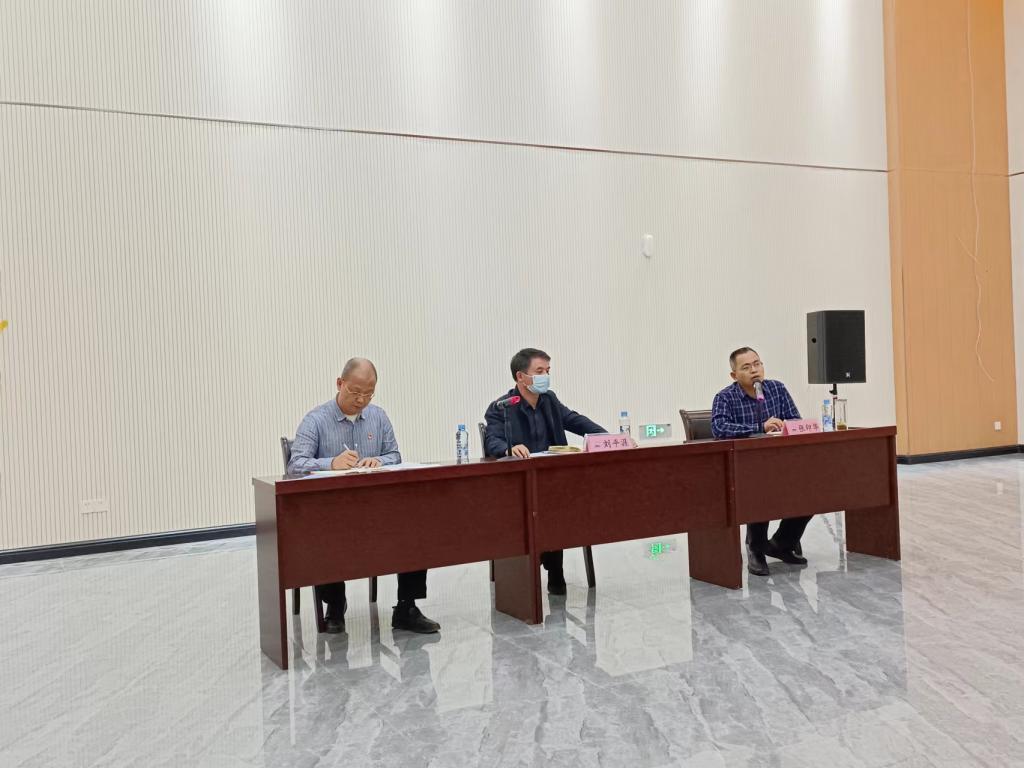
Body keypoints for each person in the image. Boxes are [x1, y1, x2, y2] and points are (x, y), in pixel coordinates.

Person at [287, 357, 440, 635]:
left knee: (415, 529)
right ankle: (335, 606)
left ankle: (406, 607)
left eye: (368, 394)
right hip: (332, 512)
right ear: (339, 383)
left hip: (376, 510)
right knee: (325, 534)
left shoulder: (378, 417)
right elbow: (295, 464)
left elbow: (395, 455)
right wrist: (331, 463)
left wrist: (379, 461)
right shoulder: (316, 420)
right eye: (355, 392)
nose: (361, 400)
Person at [483, 348, 607, 595]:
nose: (545, 377)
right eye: (539, 371)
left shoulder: (549, 400)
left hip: (553, 480)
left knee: (556, 503)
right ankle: (546, 566)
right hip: (518, 484)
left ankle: (553, 568)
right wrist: (509, 448)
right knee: (538, 507)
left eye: (548, 371)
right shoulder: (502, 407)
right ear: (520, 376)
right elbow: (491, 440)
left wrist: (606, 437)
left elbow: (575, 420)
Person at [710, 346, 811, 577]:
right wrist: (759, 427)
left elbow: (795, 421)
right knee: (760, 488)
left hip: (781, 463)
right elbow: (719, 428)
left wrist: (785, 426)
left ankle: (781, 544)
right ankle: (755, 547)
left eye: (757, 364)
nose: (754, 370)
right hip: (744, 469)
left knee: (811, 491)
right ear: (734, 375)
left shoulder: (777, 389)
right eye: (746, 367)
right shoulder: (725, 397)